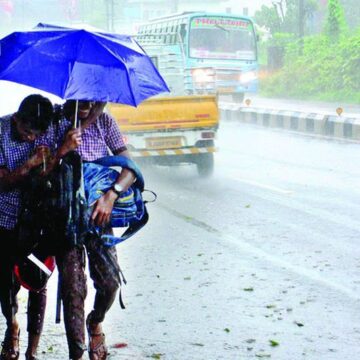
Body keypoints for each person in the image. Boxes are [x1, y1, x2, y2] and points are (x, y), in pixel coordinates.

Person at [0, 94, 81, 360]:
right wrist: (31, 164)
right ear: (16, 120)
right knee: (6, 281)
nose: (32, 138)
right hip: (7, 217)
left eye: (38, 134)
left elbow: (83, 109)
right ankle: (12, 324)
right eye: (26, 132)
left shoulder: (55, 126)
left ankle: (32, 351)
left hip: (42, 219)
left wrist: (64, 148)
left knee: (38, 279)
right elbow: (3, 183)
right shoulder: (0, 132)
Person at [59, 100, 136, 360]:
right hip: (64, 219)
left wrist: (111, 196)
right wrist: (63, 148)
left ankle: (95, 321)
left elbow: (131, 169)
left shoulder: (105, 121)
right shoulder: (56, 121)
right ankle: (77, 353)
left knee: (110, 283)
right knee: (73, 289)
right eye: (83, 94)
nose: (88, 101)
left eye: (95, 96)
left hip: (99, 216)